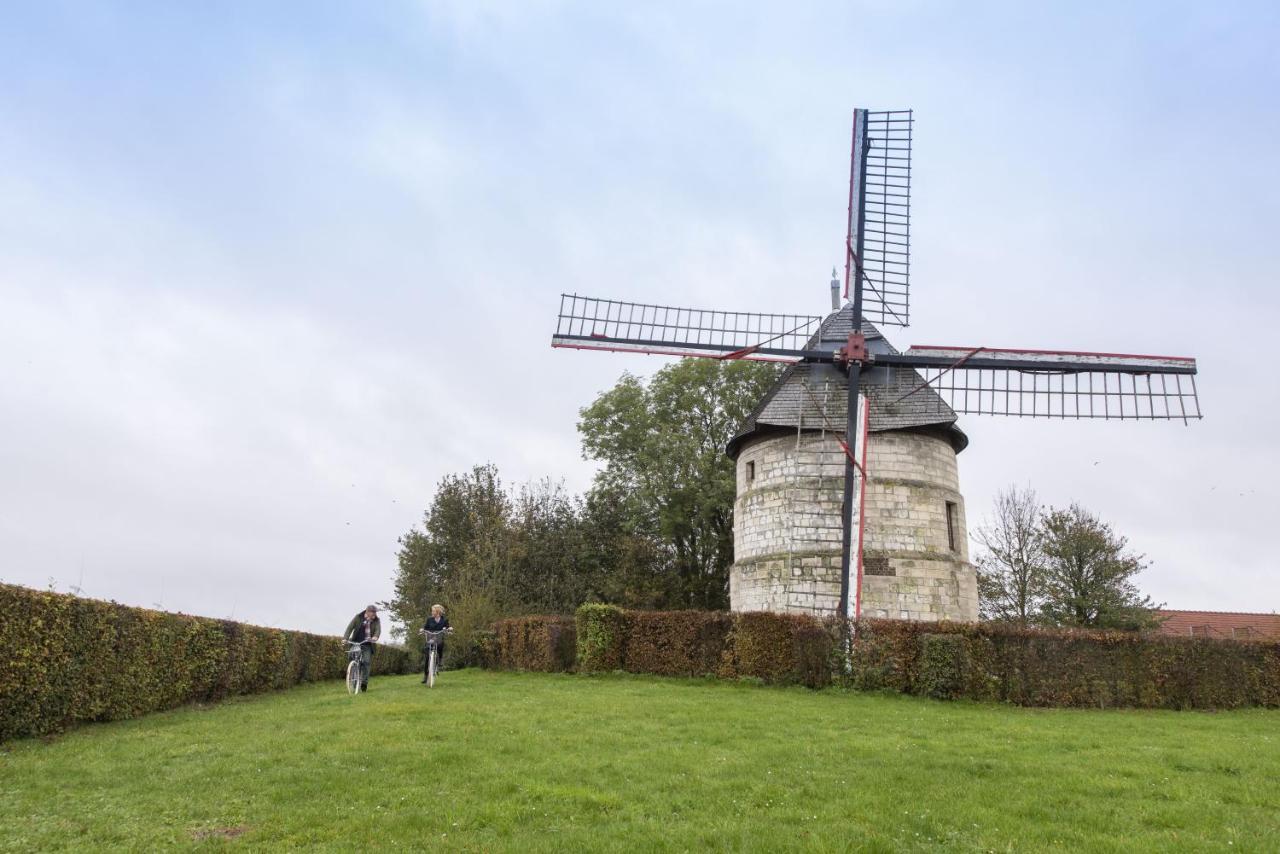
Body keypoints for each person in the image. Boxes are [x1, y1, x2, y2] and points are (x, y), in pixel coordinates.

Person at [344, 605, 381, 691]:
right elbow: (349, 628)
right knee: (350, 657)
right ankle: (353, 677)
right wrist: (345, 639)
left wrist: (375, 637)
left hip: (367, 644)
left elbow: (378, 630)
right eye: (373, 612)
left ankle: (364, 683)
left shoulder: (376, 620)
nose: (375, 614)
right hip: (356, 642)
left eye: (375, 612)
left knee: (366, 662)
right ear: (367, 612)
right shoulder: (358, 617)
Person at [420, 604, 450, 683]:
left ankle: (439, 660)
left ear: (438, 612)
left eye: (433, 611)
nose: (432, 612)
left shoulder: (444, 620)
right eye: (432, 611)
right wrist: (422, 630)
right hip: (430, 638)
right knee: (427, 656)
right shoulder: (429, 619)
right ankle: (426, 676)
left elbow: (447, 627)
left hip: (439, 637)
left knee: (440, 645)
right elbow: (425, 627)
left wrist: (449, 628)